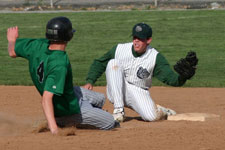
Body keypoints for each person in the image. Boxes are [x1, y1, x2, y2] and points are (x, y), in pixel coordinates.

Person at [7, 16, 119, 135]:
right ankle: (62, 120)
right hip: (67, 110)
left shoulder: (37, 45)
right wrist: (54, 128)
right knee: (110, 122)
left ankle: (90, 111)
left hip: (68, 94)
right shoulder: (59, 64)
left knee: (100, 99)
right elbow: (46, 98)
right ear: (68, 36)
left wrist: (11, 40)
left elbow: (12, 52)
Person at [84, 23, 198, 122]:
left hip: (139, 91)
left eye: (140, 38)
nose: (136, 41)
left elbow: (171, 79)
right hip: (117, 88)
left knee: (152, 117)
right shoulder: (120, 49)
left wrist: (183, 78)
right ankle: (119, 111)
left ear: (148, 40)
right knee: (113, 63)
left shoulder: (155, 57)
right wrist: (90, 80)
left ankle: (162, 111)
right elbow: (100, 63)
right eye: (135, 37)